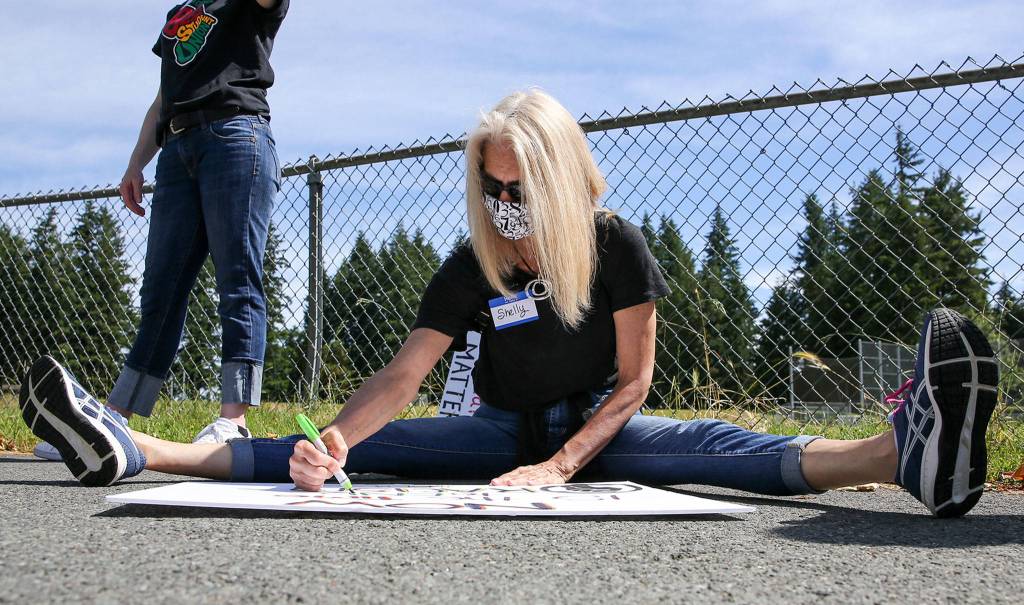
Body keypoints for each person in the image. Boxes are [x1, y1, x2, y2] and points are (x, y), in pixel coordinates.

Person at [20, 90, 999, 518]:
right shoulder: (474, 262)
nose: (506, 209)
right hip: (496, 431)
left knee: (714, 446)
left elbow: (637, 379)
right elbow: (402, 375)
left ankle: (910, 454)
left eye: (522, 189)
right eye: (492, 190)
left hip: (595, 431)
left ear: (567, 177)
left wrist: (563, 462)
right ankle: (136, 447)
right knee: (353, 453)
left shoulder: (617, 247)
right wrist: (337, 438)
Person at [33, 0, 289, 460]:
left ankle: (233, 421)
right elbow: (163, 95)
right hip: (176, 145)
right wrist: (136, 162)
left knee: (237, 279)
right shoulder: (183, 11)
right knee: (160, 292)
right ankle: (114, 420)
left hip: (235, 132)